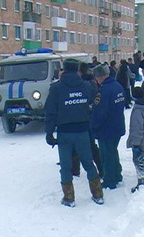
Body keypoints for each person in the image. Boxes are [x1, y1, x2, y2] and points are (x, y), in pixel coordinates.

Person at [44, 59, 103, 207]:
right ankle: (97, 194)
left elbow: (50, 112)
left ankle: (69, 198)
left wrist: (49, 133)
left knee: (65, 166)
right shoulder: (86, 86)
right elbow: (95, 99)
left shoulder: (56, 88)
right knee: (88, 163)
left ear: (64, 70)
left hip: (64, 133)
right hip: (83, 131)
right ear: (78, 70)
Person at [91, 64, 125, 189]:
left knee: (106, 155)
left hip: (106, 128)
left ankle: (110, 180)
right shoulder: (117, 86)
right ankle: (117, 174)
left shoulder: (103, 91)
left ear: (99, 77)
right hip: (118, 125)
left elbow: (100, 112)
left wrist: (94, 126)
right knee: (113, 151)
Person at [127, 87, 144, 193]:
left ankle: (142, 181)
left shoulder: (138, 110)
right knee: (140, 160)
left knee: (138, 161)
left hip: (139, 141)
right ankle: (142, 179)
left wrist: (135, 142)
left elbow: (137, 128)